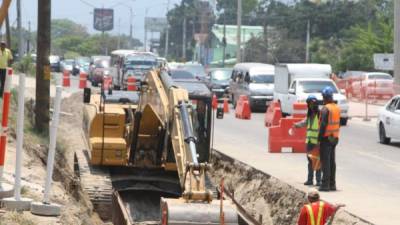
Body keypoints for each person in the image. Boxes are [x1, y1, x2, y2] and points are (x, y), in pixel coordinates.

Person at [294, 95, 321, 186]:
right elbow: (304, 122)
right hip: (310, 142)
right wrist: (296, 125)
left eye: (312, 104)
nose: (311, 106)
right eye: (310, 104)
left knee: (317, 161)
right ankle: (310, 180)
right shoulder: (309, 114)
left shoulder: (320, 115)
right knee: (310, 161)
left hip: (316, 142)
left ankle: (318, 180)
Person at [318, 86, 341, 192]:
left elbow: (323, 125)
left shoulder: (325, 109)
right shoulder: (336, 107)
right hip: (334, 138)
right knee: (332, 161)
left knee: (325, 162)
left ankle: (325, 184)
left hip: (326, 138)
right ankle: (332, 184)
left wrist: (319, 138)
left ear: (325, 97)